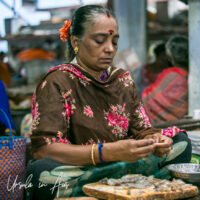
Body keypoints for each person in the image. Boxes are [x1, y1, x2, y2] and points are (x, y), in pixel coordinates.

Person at [26, 5, 191, 199]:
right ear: (76, 41)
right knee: (42, 173)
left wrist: (154, 140)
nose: (110, 49)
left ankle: (114, 185)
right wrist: (106, 153)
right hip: (82, 170)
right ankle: (126, 184)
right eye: (99, 41)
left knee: (181, 143)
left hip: (122, 164)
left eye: (114, 41)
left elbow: (142, 129)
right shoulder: (57, 82)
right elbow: (44, 149)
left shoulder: (122, 80)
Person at [142, 35, 189, 125]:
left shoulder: (170, 75)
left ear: (170, 57)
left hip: (163, 128)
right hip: (185, 124)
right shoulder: (192, 76)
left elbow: (149, 99)